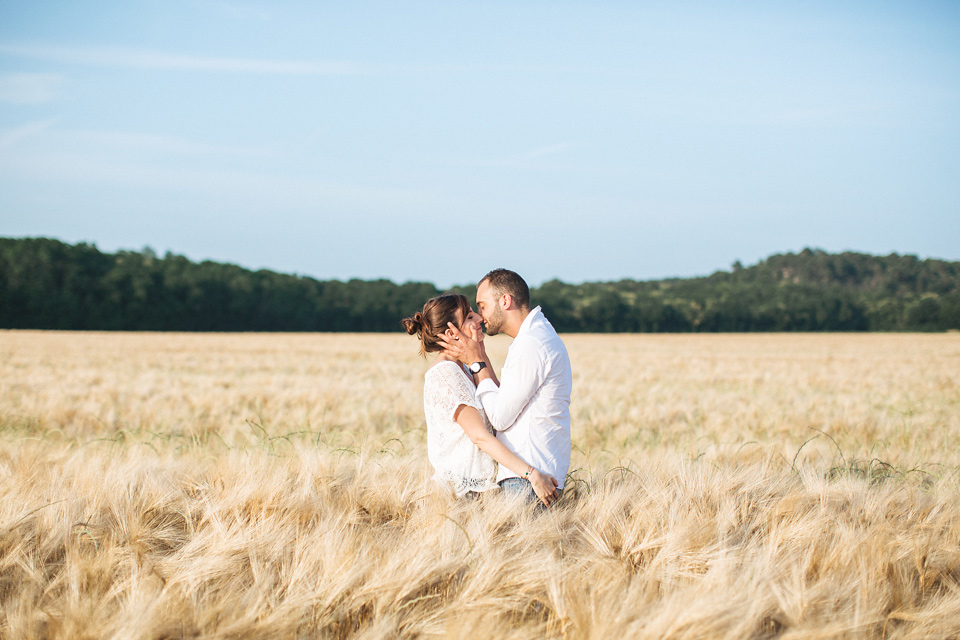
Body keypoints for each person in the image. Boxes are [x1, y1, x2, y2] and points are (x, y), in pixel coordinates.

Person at [401, 293, 560, 505]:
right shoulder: (446, 374)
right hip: (463, 495)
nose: (478, 319)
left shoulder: (464, 369)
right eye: (468, 317)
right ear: (451, 333)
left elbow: (500, 405)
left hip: (478, 492)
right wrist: (532, 475)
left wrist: (480, 356)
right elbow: (480, 437)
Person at [437, 269, 572, 506]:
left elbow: (499, 417)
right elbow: (506, 401)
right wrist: (480, 355)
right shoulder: (534, 337)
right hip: (531, 476)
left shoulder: (531, 344)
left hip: (530, 480)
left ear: (505, 301)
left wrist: (476, 364)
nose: (479, 316)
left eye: (482, 306)